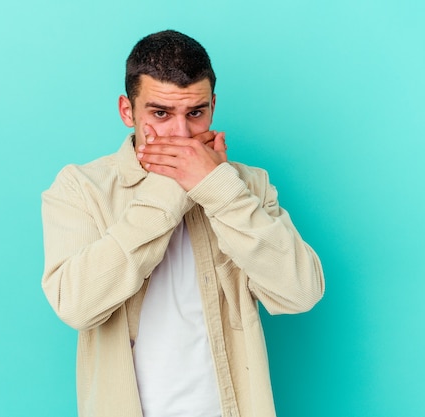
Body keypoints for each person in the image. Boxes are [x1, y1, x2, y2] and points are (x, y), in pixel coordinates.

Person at [41, 29, 325, 417]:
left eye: (195, 113)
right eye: (160, 113)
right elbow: (76, 306)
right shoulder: (80, 188)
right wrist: (168, 191)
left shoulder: (248, 185)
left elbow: (300, 292)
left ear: (212, 105)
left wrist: (219, 190)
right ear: (128, 111)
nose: (181, 134)